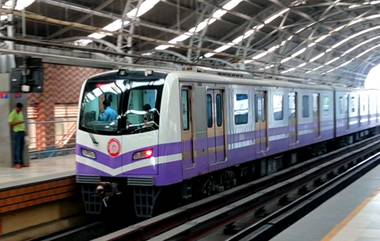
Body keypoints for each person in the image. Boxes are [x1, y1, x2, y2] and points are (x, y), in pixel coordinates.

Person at [8, 102, 26, 168]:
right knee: (17, 148)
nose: (21, 110)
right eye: (20, 108)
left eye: (21, 108)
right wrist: (18, 122)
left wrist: (25, 131)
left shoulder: (20, 113)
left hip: (22, 132)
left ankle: (21, 162)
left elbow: (22, 123)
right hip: (17, 133)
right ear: (17, 107)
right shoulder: (12, 114)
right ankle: (17, 163)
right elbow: (10, 124)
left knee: (21, 148)